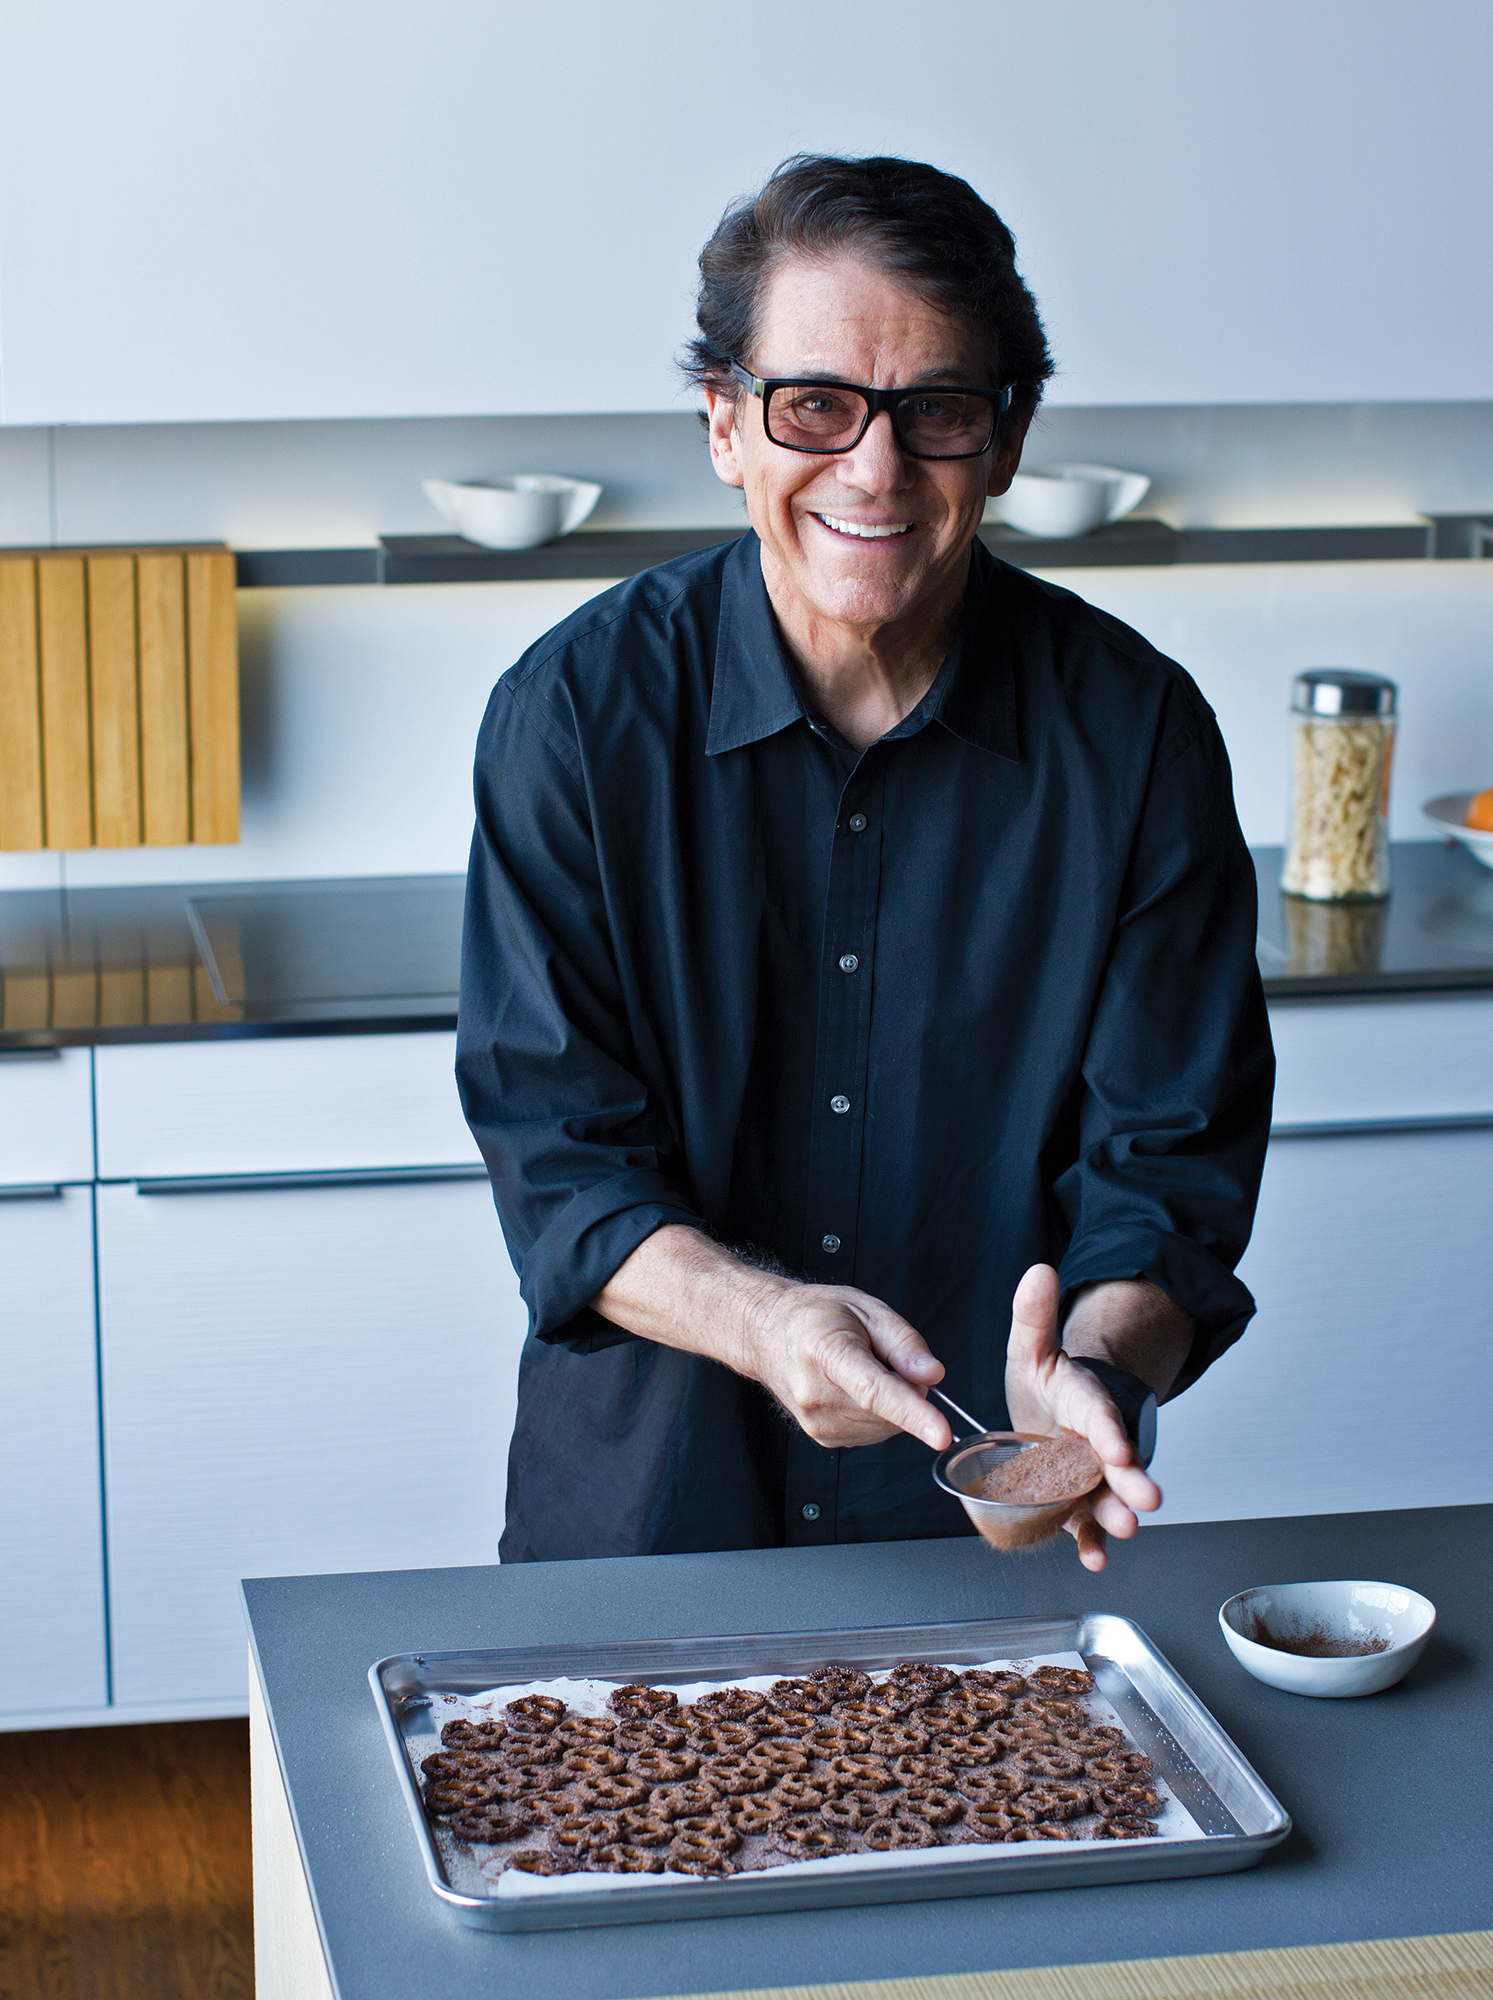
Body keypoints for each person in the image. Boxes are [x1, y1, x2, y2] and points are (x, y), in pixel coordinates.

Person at [458, 155, 1271, 1569]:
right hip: (649, 1536)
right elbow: (561, 1164)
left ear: (1006, 441)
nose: (875, 468)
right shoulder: (574, 719)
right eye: (816, 405)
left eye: (937, 411)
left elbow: (1169, 1169)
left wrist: (1093, 1368)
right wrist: (769, 1322)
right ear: (725, 422)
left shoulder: (1139, 735)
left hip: (980, 1531)